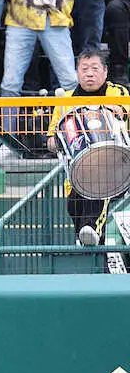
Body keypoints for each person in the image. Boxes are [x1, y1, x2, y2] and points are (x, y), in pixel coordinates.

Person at [46, 49, 130, 248]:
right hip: (77, 172)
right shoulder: (65, 99)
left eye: (94, 68)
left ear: (105, 71)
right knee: (76, 212)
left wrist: (102, 110)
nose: (89, 73)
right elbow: (51, 140)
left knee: (95, 205)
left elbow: (122, 111)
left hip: (114, 166)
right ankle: (92, 251)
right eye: (84, 69)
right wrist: (56, 142)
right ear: (77, 72)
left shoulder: (117, 92)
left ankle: (92, 230)